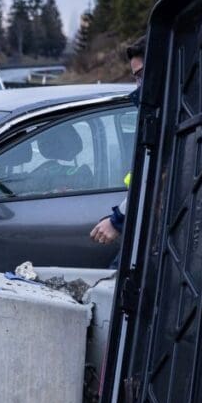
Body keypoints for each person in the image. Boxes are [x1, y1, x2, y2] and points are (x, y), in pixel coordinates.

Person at [90, 36, 145, 247]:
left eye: (142, 76)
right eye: (136, 79)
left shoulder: (174, 118)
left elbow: (156, 180)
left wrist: (117, 221)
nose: (139, 85)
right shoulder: (154, 116)